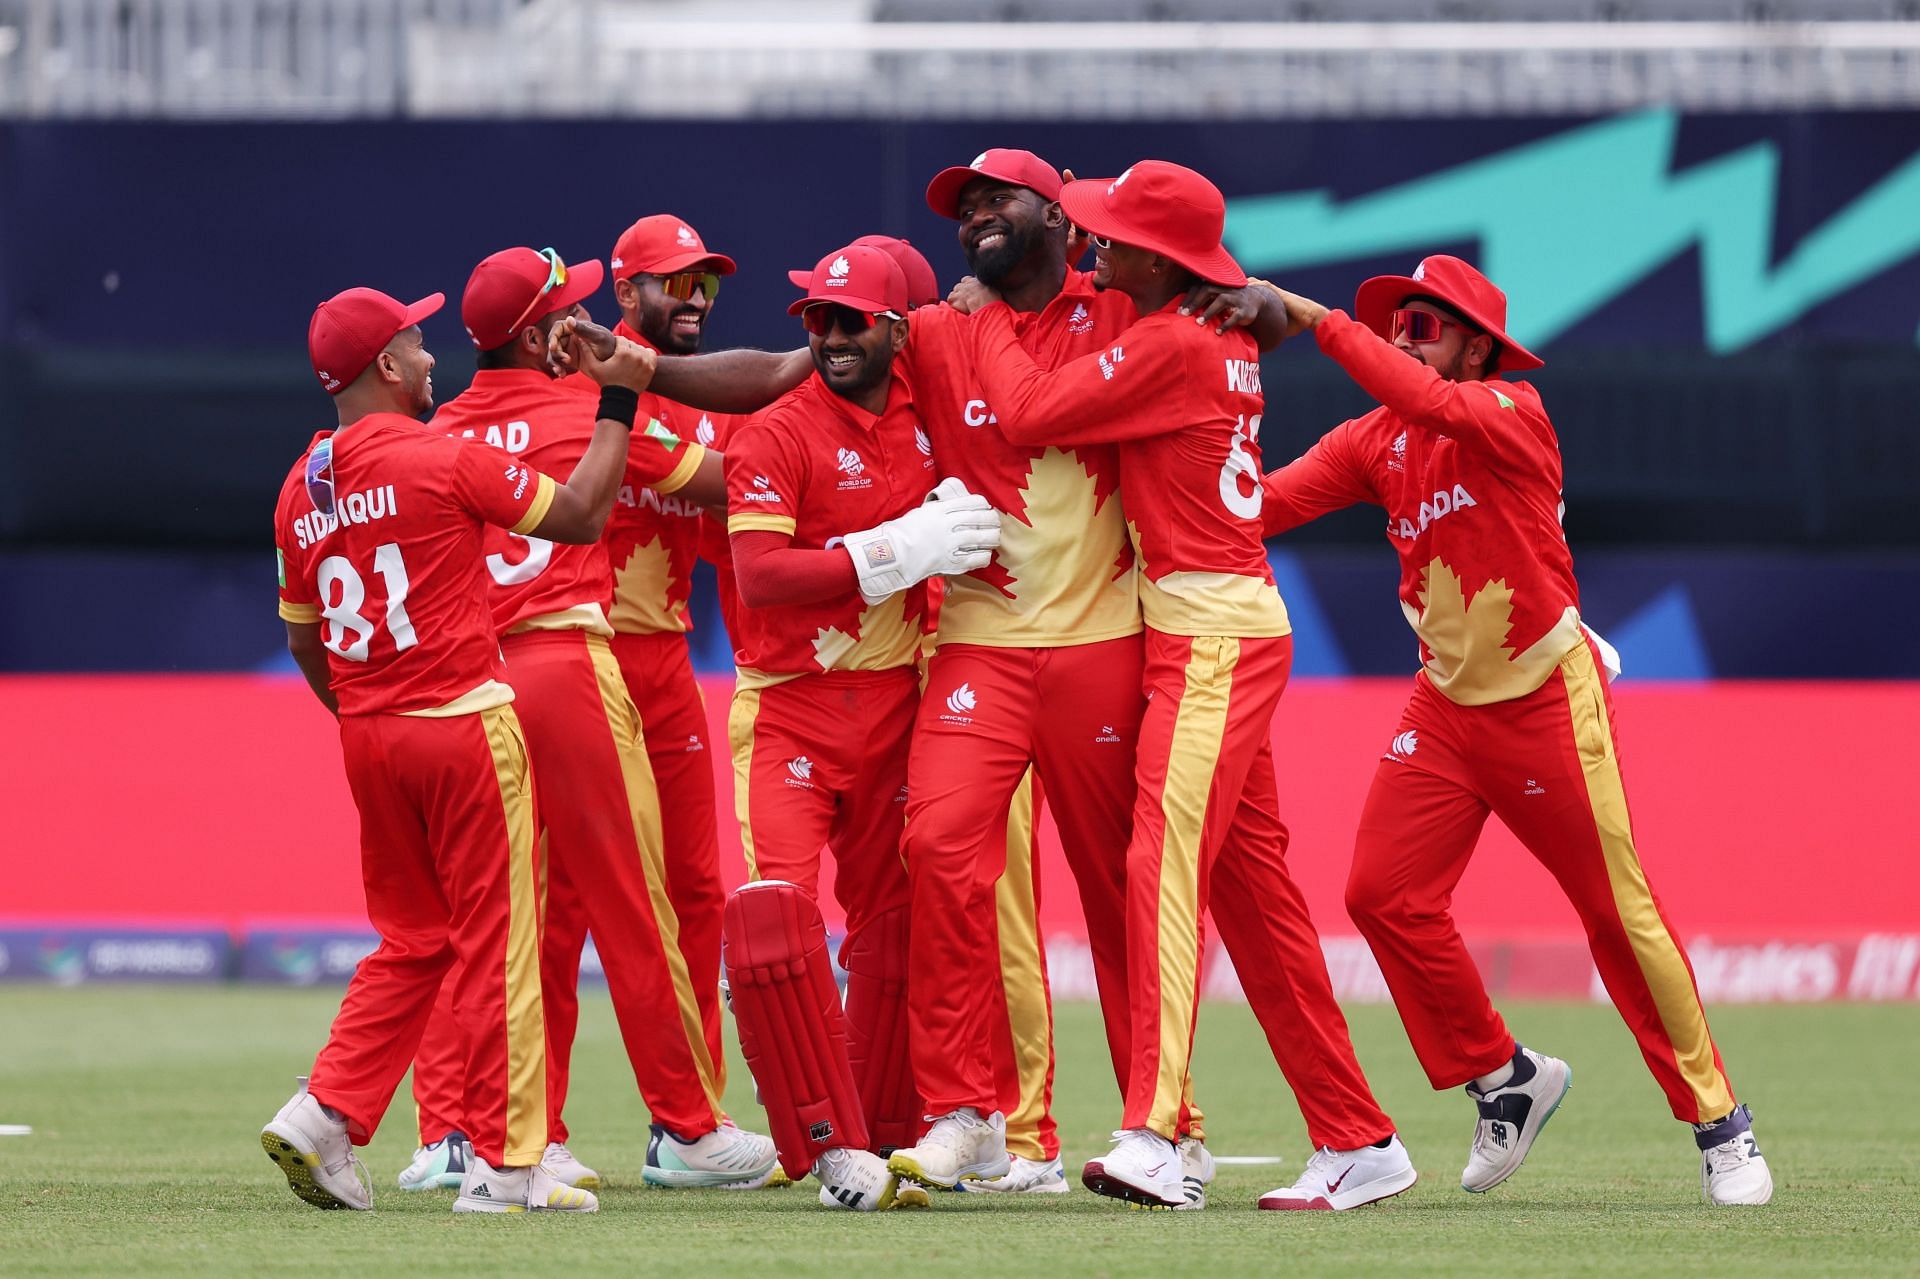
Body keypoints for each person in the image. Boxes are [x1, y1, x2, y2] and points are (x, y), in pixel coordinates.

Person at [1256, 255, 1773, 1207]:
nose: (1406, 338)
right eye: (1397, 324)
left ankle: (1720, 1123)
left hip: (1546, 699)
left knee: (1616, 912)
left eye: (1425, 325)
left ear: (1480, 346)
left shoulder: (1508, 414)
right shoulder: (1378, 440)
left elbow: (1432, 401)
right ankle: (1506, 1077)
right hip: (1444, 709)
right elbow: (1264, 505)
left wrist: (1324, 322)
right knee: (1382, 893)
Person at [963, 160, 1412, 1211]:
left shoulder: (1168, 341)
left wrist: (984, 314)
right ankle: (1357, 1135)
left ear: (1162, 263)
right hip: (1215, 624)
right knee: (1255, 902)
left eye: (1113, 239)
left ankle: (1154, 1132)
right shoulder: (1215, 329)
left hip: (1208, 635)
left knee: (1159, 867)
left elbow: (1025, 413)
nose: (1096, 251)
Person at [888, 148, 1283, 1203]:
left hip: (1108, 640)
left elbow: (1242, 309)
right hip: (979, 640)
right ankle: (968, 1113)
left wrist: (1265, 298)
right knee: (936, 849)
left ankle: (1171, 1129)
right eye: (962, 205)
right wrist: (643, 373)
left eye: (996, 197)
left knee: (1125, 894)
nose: (975, 215)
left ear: (1058, 213)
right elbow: (806, 369)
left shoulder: (1122, 308)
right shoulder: (932, 326)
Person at [261, 282, 653, 1214]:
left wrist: (367, 709)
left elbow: (304, 638)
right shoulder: (440, 454)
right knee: (501, 943)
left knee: (415, 939)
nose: (433, 357)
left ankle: (325, 1114)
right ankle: (508, 1165)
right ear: (387, 367)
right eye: (418, 341)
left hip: (370, 735)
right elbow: (585, 515)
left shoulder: (298, 484)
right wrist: (621, 397)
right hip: (464, 722)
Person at [407, 246, 776, 1194]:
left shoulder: (443, 428)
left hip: (474, 680)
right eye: (563, 310)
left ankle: (481, 1131)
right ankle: (689, 1127)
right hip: (571, 661)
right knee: (634, 897)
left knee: (497, 910)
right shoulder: (588, 408)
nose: (582, 323)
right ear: (536, 334)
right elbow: (729, 484)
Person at [718, 244, 1001, 1208]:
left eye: (849, 321)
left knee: (896, 927)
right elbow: (762, 576)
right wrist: (888, 553)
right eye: (814, 320)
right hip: (789, 707)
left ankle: (890, 1131)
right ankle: (827, 1144)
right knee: (775, 928)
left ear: (894, 330)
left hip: (895, 705)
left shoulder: (931, 414)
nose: (829, 338)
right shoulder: (776, 433)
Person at [593, 217, 736, 1130]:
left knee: (697, 890)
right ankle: (475, 1128)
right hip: (585, 657)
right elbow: (736, 485)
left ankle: (695, 1123)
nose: (693, 304)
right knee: (559, 895)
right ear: (625, 292)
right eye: (674, 285)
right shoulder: (598, 390)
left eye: (706, 288)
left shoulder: (700, 401)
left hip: (668, 661)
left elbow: (733, 536)